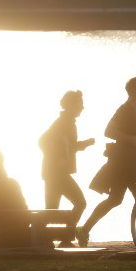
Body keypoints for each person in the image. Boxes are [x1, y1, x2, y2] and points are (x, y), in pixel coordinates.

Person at [80, 76, 136, 248]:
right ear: (134, 91)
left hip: (127, 161)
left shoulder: (133, 110)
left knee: (116, 199)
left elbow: (132, 137)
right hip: (125, 163)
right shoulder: (125, 110)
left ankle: (84, 230)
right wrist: (131, 138)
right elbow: (108, 131)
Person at [39, 91, 95, 247]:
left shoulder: (67, 122)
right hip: (56, 173)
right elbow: (43, 141)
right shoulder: (63, 122)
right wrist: (58, 158)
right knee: (80, 203)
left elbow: (69, 146)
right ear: (71, 105)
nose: (82, 107)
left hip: (53, 172)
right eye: (79, 104)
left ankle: (42, 239)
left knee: (51, 209)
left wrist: (85, 144)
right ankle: (64, 239)